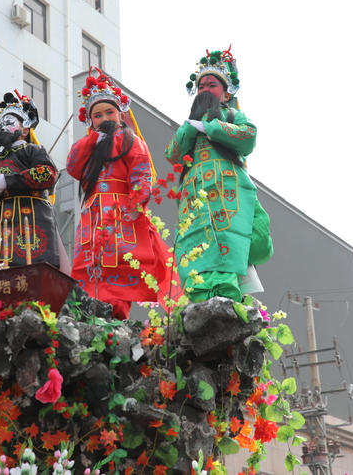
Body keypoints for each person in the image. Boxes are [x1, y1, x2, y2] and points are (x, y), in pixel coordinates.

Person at [165, 47, 273, 303]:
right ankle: (197, 292)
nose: (205, 90)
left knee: (226, 234)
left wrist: (210, 126)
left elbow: (248, 136)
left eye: (211, 85)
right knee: (196, 238)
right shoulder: (188, 124)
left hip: (227, 189)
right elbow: (172, 154)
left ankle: (225, 291)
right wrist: (192, 128)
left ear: (225, 92)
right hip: (194, 190)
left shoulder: (233, 116)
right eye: (201, 86)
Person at [67, 68, 175, 319]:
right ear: (89, 120)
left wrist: (133, 209)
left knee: (120, 264)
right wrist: (93, 139)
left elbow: (141, 178)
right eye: (97, 115)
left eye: (109, 112)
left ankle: (115, 317)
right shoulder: (89, 144)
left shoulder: (131, 140)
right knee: (90, 266)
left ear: (120, 113)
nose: (104, 118)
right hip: (92, 215)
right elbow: (72, 166)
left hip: (120, 213)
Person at [0, 92, 64, 272]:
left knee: (33, 268)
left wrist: (10, 181)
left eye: (10, 123)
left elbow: (48, 173)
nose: (4, 127)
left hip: (33, 217)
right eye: (2, 124)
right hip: (2, 223)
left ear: (24, 130)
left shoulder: (33, 150)